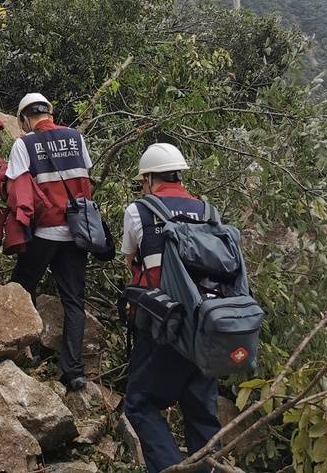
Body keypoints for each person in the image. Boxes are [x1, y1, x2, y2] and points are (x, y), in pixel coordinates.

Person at [120, 143, 220, 473]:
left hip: (164, 324)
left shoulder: (139, 211)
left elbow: (131, 260)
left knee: (140, 403)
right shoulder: (209, 212)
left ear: (148, 178)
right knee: (202, 412)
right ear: (179, 174)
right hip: (207, 325)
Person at [6, 92, 92, 391]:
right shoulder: (76, 138)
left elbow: (15, 187)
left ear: (23, 119)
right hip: (77, 233)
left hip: (43, 232)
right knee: (74, 300)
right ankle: (74, 372)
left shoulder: (24, 143)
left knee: (21, 288)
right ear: (50, 114)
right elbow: (85, 177)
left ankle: (22, 352)